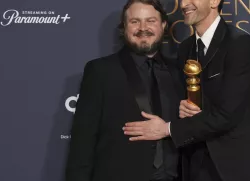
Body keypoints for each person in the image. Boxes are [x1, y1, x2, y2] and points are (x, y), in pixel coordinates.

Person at [122, 0, 250, 181]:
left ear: (214, 1)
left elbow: (228, 114)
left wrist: (167, 129)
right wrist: (184, 106)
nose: (183, 4)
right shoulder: (186, 48)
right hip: (197, 164)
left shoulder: (240, 45)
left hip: (240, 166)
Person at [65, 0, 183, 181]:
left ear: (163, 26)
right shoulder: (101, 71)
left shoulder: (179, 71)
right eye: (135, 21)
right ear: (124, 28)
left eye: (150, 21)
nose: (143, 28)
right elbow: (82, 142)